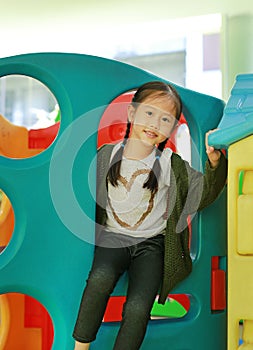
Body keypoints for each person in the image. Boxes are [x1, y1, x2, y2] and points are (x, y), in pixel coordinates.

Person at [72, 81, 227, 350]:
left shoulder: (167, 163)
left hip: (151, 245)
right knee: (99, 280)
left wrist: (214, 164)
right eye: (149, 113)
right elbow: (77, 185)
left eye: (165, 119)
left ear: (172, 128)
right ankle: (80, 346)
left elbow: (201, 195)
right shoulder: (107, 156)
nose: (155, 124)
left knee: (138, 307)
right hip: (113, 238)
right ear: (132, 114)